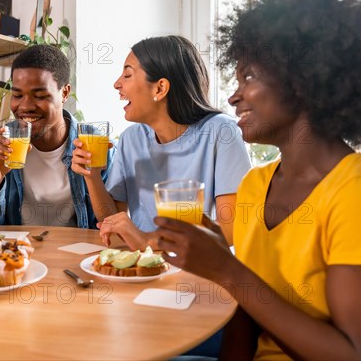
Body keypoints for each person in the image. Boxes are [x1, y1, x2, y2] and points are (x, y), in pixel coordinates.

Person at [156, 0, 361, 360]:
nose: (233, 95)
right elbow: (246, 321)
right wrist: (220, 260)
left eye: (249, 77)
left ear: (304, 79)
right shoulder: (257, 184)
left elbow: (357, 354)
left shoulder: (358, 191)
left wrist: (228, 270)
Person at [72, 35, 251, 248]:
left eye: (127, 75)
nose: (116, 84)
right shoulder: (132, 138)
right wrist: (91, 175)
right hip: (143, 266)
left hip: (198, 269)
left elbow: (232, 229)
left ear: (159, 88)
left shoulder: (221, 131)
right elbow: (112, 220)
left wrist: (148, 241)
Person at [0, 44, 113, 228]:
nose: (26, 106)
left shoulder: (95, 144)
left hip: (77, 255)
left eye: (40, 96)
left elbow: (112, 225)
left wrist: (93, 177)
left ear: (65, 93)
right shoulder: (0, 144)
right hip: (18, 254)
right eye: (17, 95)